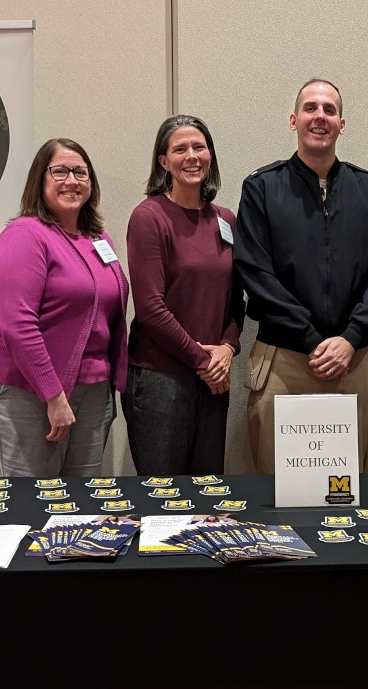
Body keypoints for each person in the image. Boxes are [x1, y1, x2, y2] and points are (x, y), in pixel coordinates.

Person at [233, 78, 368, 473]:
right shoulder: (262, 188)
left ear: (342, 123)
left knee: (340, 489)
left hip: (353, 360)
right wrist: (311, 340)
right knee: (278, 486)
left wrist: (350, 339)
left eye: (329, 109)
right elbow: (255, 273)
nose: (319, 116)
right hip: (284, 361)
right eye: (310, 108)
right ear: (293, 120)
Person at [0, 138, 129, 478]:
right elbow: (18, 326)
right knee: (33, 504)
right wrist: (54, 397)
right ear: (39, 180)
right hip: (26, 392)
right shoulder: (24, 235)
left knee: (78, 506)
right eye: (60, 171)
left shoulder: (99, 239)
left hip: (91, 391)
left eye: (80, 172)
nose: (71, 180)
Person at [123, 115, 244, 476]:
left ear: (210, 155)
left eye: (199, 147)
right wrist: (203, 361)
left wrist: (227, 348)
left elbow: (236, 299)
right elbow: (150, 309)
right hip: (162, 379)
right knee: (164, 500)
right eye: (180, 149)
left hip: (214, 379)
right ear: (164, 161)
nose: (192, 156)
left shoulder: (226, 220)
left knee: (206, 498)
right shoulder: (149, 217)